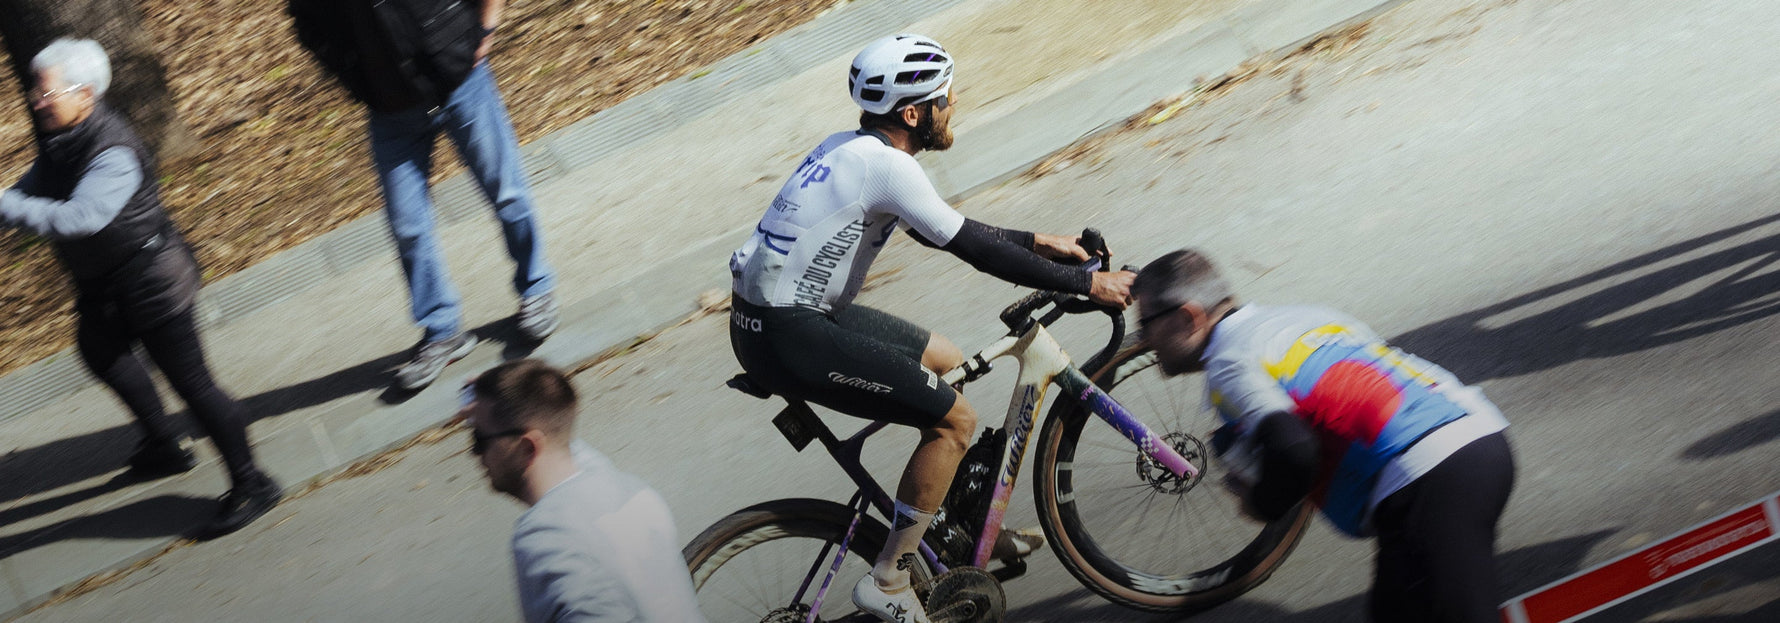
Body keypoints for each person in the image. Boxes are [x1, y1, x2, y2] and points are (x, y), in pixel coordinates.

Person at [726, 33, 1136, 622]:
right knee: (954, 421)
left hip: (773, 317)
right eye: (945, 98)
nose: (954, 106)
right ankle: (889, 579)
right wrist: (1088, 284)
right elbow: (972, 248)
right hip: (789, 334)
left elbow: (938, 228)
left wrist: (1046, 244)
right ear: (913, 113)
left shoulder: (850, 147)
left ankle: (942, 530)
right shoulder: (889, 168)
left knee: (947, 361)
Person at [1131, 249, 1516, 623]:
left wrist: (1261, 503)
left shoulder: (1229, 363)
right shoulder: (1304, 315)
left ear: (1188, 317)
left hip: (1430, 477)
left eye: (1146, 323)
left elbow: (1294, 450)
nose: (1142, 339)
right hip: (1475, 439)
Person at [0, 39, 281, 538]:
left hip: (152, 280)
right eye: (34, 91)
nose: (37, 101)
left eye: (46, 92)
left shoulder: (114, 150)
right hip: (105, 282)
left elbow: (81, 218)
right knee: (100, 350)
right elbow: (32, 189)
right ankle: (162, 445)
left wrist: (7, 207)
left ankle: (252, 482)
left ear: (84, 95)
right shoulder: (61, 138)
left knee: (194, 386)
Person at [288, 0, 559, 390]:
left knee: (507, 192)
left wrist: (484, 30)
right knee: (408, 226)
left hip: (461, 79)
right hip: (391, 109)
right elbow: (307, 24)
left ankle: (537, 289)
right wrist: (354, 76)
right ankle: (442, 330)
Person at [459, 359, 704, 623]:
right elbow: (553, 433)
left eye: (479, 440)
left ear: (527, 447)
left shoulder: (544, 538)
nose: (473, 453)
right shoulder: (629, 488)